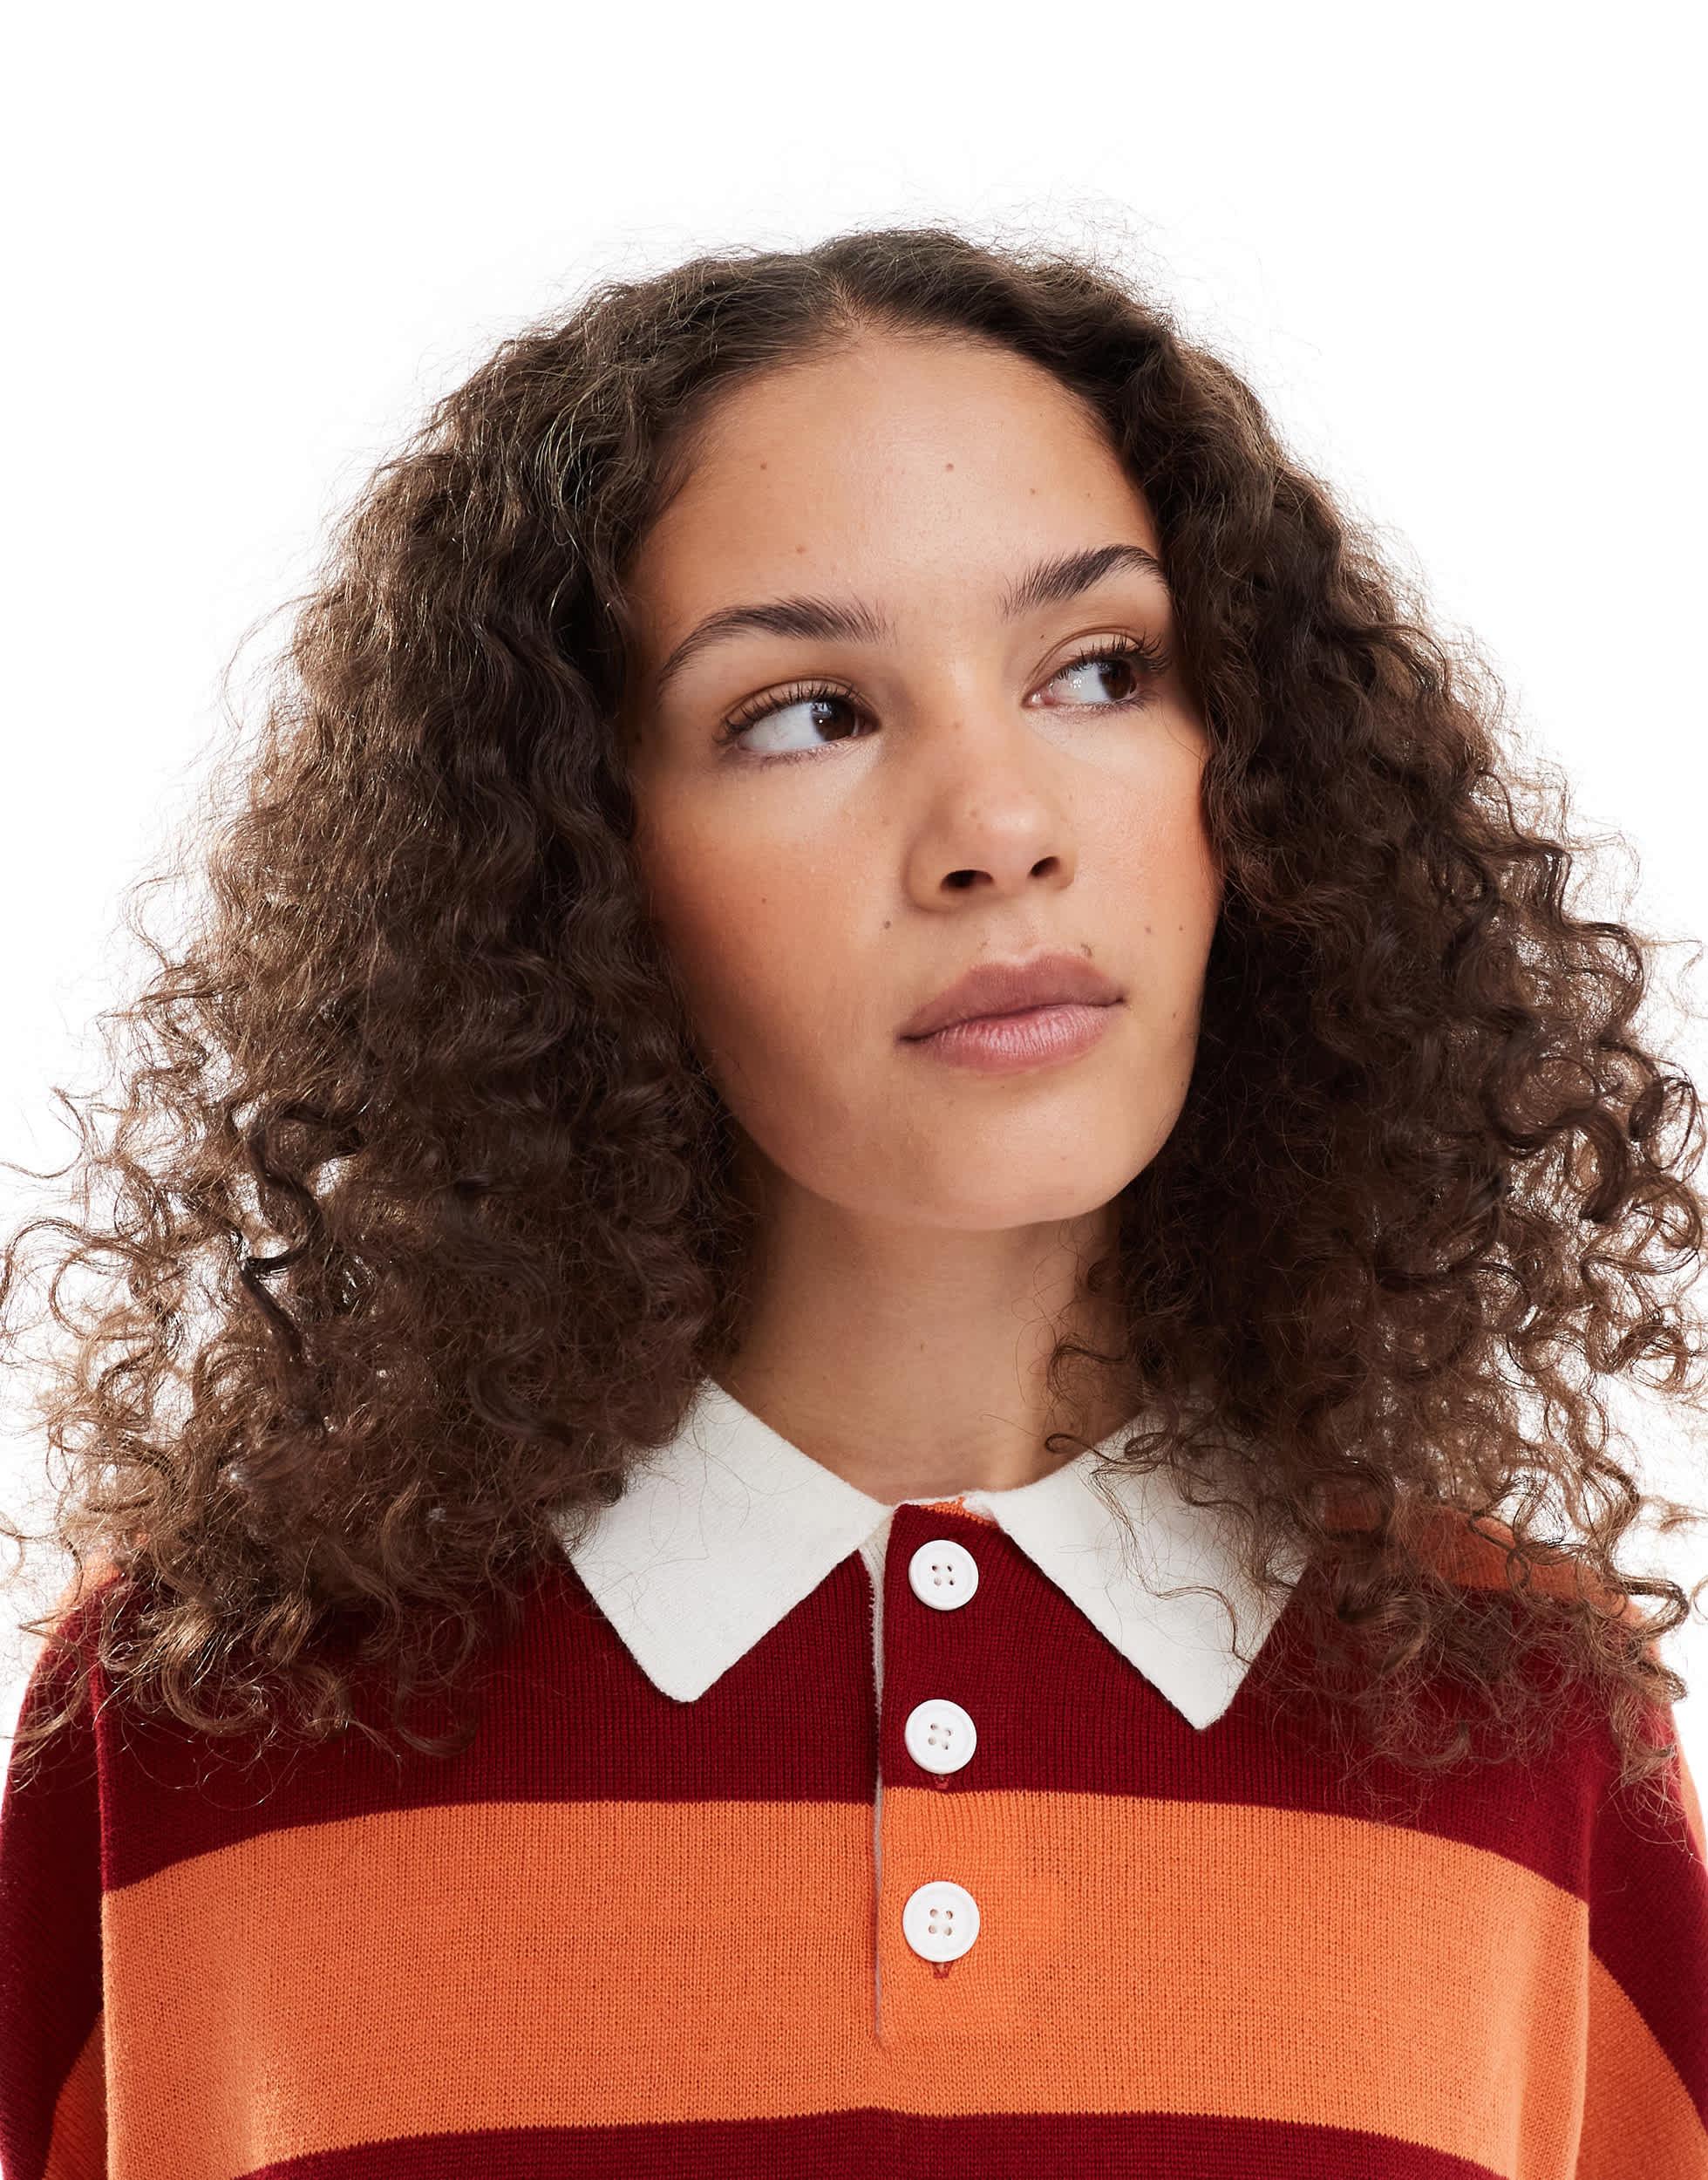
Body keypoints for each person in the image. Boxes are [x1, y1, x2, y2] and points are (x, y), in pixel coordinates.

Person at [1, 222, 1705, 2179]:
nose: (997, 827)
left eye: (1098, 667)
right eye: (805, 708)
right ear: (572, 859)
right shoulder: (193, 1721)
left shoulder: (1520, 1717)